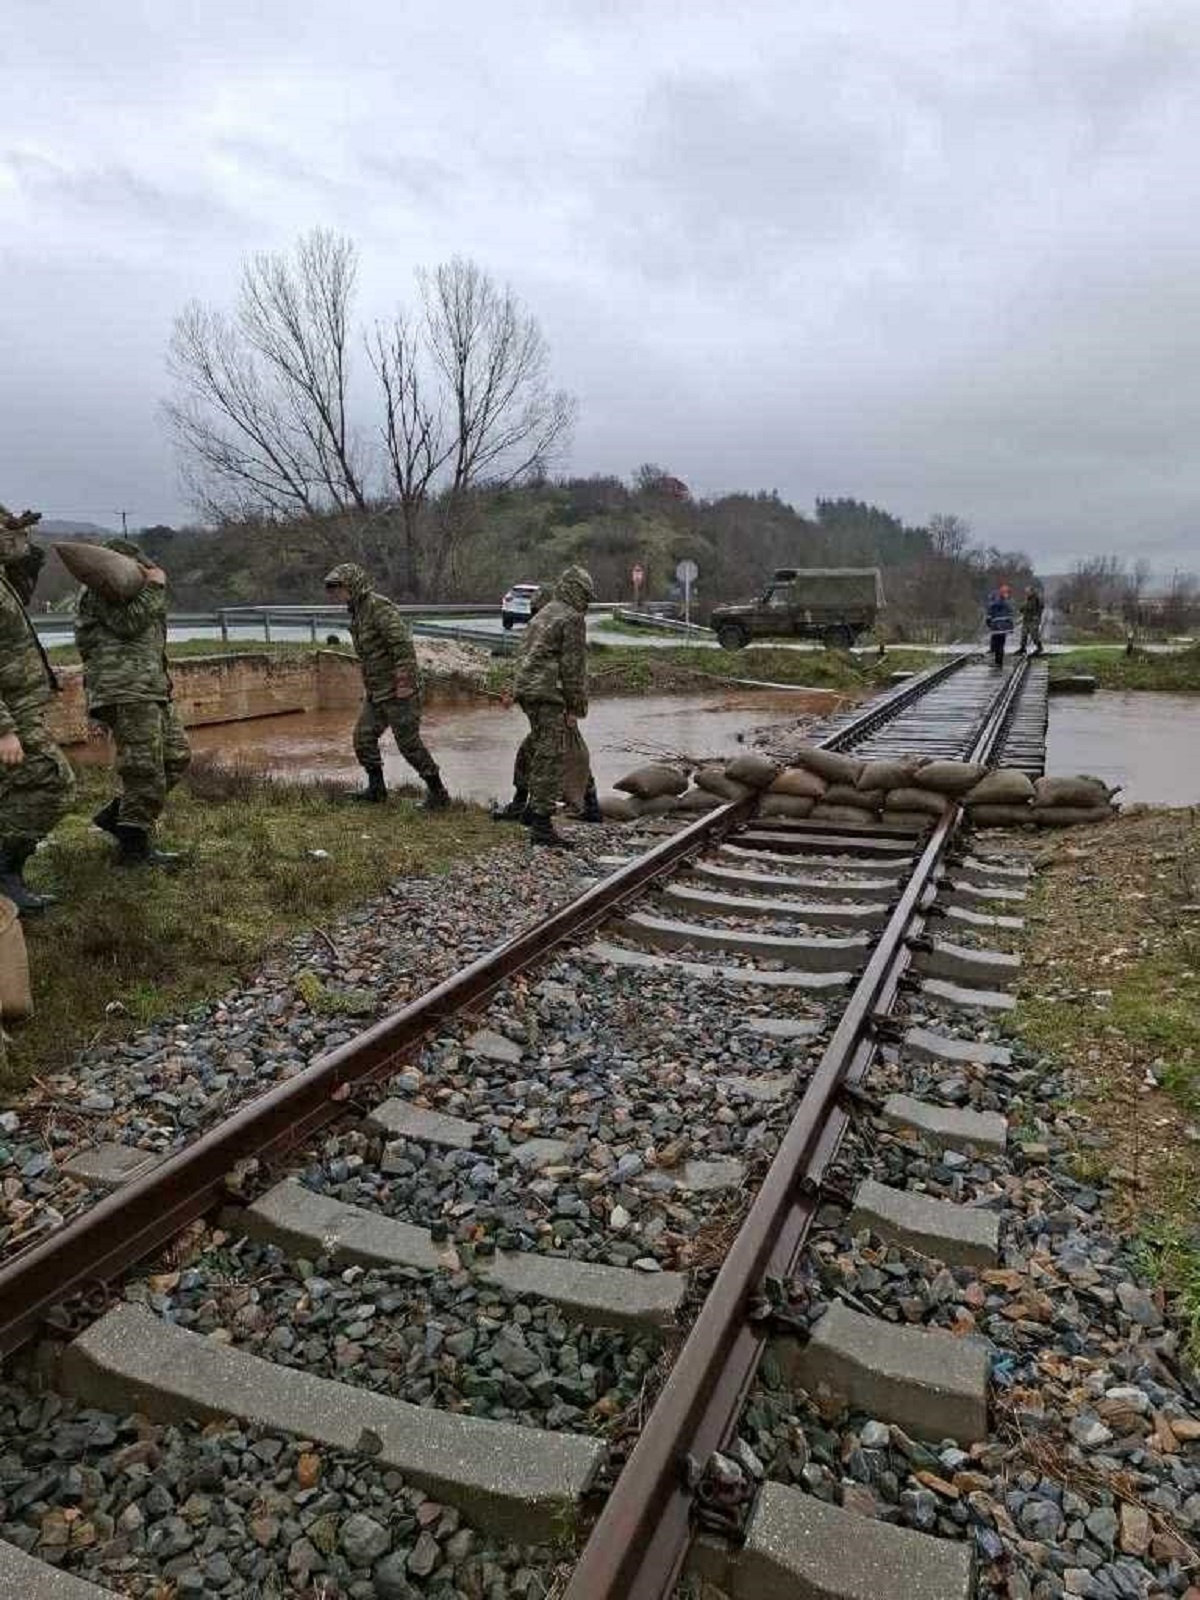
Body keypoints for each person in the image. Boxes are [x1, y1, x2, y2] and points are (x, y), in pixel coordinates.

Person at [75, 539, 191, 868]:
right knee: (144, 772)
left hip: (150, 689)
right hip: (126, 692)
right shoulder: (103, 588)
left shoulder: (128, 590)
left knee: (177, 756)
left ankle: (120, 818)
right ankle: (133, 850)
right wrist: (155, 588)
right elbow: (128, 625)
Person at [323, 563, 450, 810]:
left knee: (409, 744)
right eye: (333, 590)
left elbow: (402, 647)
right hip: (377, 691)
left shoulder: (378, 607)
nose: (336, 595)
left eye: (339, 589)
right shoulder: (357, 611)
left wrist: (404, 684)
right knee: (363, 738)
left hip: (399, 691)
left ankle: (438, 793)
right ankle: (376, 789)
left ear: (353, 585)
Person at [0, 508, 75, 913]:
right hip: (9, 712)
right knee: (54, 781)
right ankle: (4, 871)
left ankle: (8, 878)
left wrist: (26, 545)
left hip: (20, 704)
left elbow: (24, 586)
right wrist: (3, 729)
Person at [495, 586, 602, 826]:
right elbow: (526, 661)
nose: (534, 612)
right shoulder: (546, 622)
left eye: (536, 608)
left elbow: (572, 668)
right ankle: (527, 805)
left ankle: (581, 806)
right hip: (548, 697)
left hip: (558, 699)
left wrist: (574, 709)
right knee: (543, 750)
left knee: (565, 751)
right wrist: (513, 691)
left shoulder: (558, 621)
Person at [511, 564, 594, 849]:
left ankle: (524, 806)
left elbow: (522, 652)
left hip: (527, 691)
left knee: (538, 745)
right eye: (587, 596)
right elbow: (573, 669)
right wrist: (576, 708)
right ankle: (542, 825)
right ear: (579, 592)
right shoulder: (571, 618)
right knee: (551, 755)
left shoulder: (546, 611)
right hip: (548, 694)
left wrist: (516, 689)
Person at [985, 583, 1016, 668]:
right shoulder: (1009, 603)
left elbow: (990, 614)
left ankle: (998, 662)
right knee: (1000, 644)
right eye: (1006, 592)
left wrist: (988, 623)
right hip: (1003, 627)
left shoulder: (995, 603)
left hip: (996, 627)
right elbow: (1010, 615)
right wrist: (1011, 627)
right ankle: (998, 662)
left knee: (997, 644)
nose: (1006, 594)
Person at [1019, 586, 1045, 656]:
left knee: (1034, 634)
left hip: (1033, 620)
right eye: (1026, 592)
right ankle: (1022, 648)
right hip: (1026, 619)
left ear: (1032, 591)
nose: (1027, 593)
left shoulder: (1037, 599)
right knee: (1023, 634)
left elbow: (1041, 607)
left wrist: (1037, 615)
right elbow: (1023, 607)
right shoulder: (1027, 599)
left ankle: (1039, 647)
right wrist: (1022, 609)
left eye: (1028, 592)